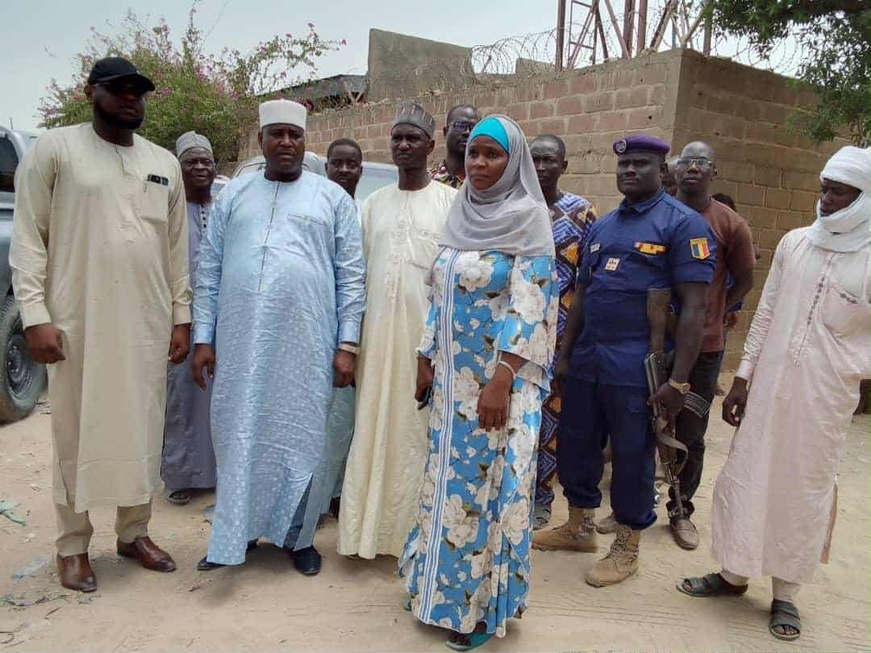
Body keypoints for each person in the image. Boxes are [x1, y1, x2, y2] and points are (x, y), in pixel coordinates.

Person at [10, 57, 191, 593]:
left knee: (142, 427)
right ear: (91, 91)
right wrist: (35, 316)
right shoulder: (55, 149)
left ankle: (134, 533)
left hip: (147, 322)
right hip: (77, 320)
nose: (131, 97)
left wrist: (181, 318)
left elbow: (176, 251)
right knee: (75, 430)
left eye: (139, 90)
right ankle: (72, 545)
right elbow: (28, 239)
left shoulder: (163, 162)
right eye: (119, 89)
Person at [677, 146, 871, 642]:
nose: (826, 199)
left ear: (864, 197)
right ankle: (733, 574)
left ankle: (786, 593)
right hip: (768, 385)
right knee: (749, 473)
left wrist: (851, 369)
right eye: (824, 188)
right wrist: (743, 377)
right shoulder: (795, 243)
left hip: (826, 395)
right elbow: (766, 312)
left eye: (839, 192)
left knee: (802, 488)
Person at [400, 114, 558, 651]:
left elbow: (531, 306)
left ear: (513, 161)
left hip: (496, 387)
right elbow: (438, 290)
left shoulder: (529, 218)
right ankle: (433, 590)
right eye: (473, 153)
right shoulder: (462, 212)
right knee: (446, 485)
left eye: (493, 154)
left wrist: (502, 380)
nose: (480, 163)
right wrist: (425, 355)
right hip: (451, 385)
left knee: (488, 493)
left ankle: (481, 613)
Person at [533, 135, 716, 588]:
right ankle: (578, 527)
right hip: (589, 357)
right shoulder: (604, 225)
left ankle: (627, 546)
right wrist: (565, 354)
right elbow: (582, 295)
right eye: (624, 165)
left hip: (638, 364)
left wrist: (679, 380)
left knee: (633, 455)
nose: (630, 171)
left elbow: (695, 309)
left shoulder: (683, 225)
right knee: (576, 442)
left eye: (641, 164)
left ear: (663, 171)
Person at [192, 99, 365, 576]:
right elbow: (209, 270)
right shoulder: (234, 195)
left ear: (305, 140)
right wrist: (203, 338)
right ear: (262, 140)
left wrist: (347, 345)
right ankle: (236, 535)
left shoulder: (332, 199)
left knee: (303, 439)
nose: (286, 142)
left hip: (308, 344)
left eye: (295, 134)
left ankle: (298, 537)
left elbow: (352, 277)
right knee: (239, 433)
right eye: (277, 134)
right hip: (240, 343)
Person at [338, 101, 457, 559]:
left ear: (431, 145)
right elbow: (355, 278)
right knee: (370, 429)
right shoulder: (372, 205)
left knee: (415, 435)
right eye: (397, 138)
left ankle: (412, 539)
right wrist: (351, 344)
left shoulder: (451, 204)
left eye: (413, 138)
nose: (403, 145)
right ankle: (364, 535)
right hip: (375, 341)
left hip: (423, 346)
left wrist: (437, 349)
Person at [667, 142, 756, 550]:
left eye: (701, 162)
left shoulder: (730, 224)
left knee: (691, 429)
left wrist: (719, 312)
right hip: (655, 341)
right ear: (675, 169)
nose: (692, 167)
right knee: (641, 425)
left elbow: (745, 278)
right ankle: (632, 508)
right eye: (686, 161)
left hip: (703, 347)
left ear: (713, 172)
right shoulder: (659, 213)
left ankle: (681, 510)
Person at [528, 134, 597, 530]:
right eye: (535, 159)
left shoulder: (582, 213)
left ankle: (541, 497)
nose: (541, 167)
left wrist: (569, 348)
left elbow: (587, 283)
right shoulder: (512, 206)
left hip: (559, 336)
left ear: (564, 166)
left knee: (550, 423)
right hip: (515, 333)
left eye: (549, 160)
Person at [161, 131, 219, 507]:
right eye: (191, 162)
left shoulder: (225, 207)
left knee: (219, 396)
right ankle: (182, 474)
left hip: (223, 318)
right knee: (183, 395)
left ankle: (217, 471)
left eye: (205, 161)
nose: (199, 167)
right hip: (181, 319)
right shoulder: (169, 213)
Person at [321, 137, 365, 518]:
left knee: (346, 420)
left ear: (361, 171)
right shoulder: (315, 210)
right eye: (338, 163)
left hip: (357, 333)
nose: (345, 170)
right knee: (321, 421)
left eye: (352, 164)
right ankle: (314, 500)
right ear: (327, 168)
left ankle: (337, 493)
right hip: (318, 331)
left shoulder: (366, 214)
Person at [431, 104, 480, 188]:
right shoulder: (430, 182)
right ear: (446, 132)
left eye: (473, 128)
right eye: (460, 126)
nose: (467, 132)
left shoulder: (486, 183)